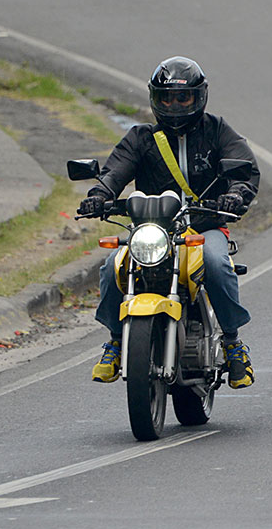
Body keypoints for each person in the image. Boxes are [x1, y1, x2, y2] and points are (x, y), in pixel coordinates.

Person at [78, 56, 259, 389]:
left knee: (217, 264)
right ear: (155, 99)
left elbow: (244, 169)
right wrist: (98, 194)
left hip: (205, 228)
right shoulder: (141, 138)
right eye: (167, 98)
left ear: (198, 97)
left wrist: (236, 194)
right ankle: (116, 342)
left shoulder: (217, 130)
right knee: (110, 268)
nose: (174, 105)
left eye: (183, 97)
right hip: (153, 230)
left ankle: (233, 344)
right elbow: (115, 171)